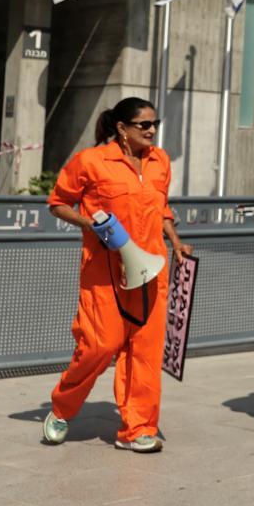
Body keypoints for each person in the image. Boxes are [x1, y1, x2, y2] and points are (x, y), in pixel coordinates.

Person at [41, 97, 191, 452]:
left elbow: (161, 209)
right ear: (122, 129)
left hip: (152, 270)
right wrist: (88, 225)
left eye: (156, 123)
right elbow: (58, 203)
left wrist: (176, 241)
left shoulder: (161, 161)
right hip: (104, 272)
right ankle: (62, 408)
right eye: (144, 125)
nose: (152, 130)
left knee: (146, 351)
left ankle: (137, 429)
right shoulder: (91, 161)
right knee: (99, 345)